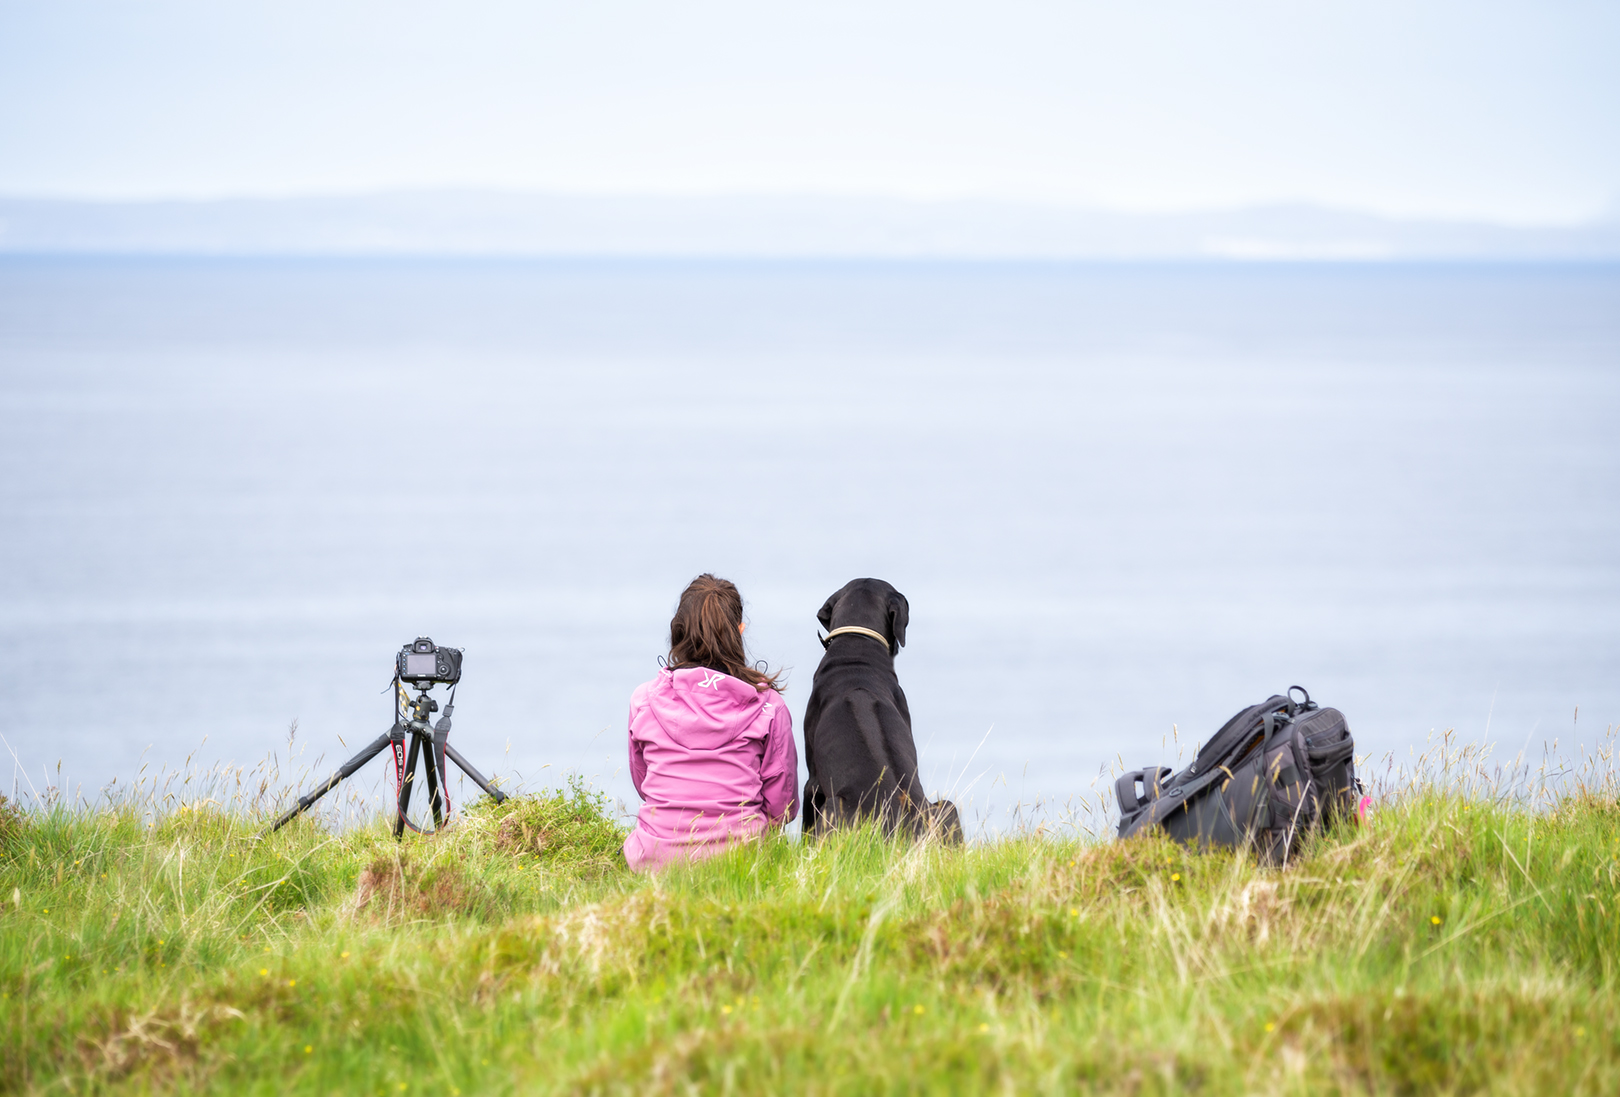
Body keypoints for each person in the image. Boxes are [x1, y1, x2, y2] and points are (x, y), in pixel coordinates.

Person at [623, 574, 798, 871]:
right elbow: (782, 805)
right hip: (742, 862)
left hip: (654, 862)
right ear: (739, 632)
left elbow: (644, 782)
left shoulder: (644, 701)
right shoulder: (769, 707)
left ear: (677, 632)